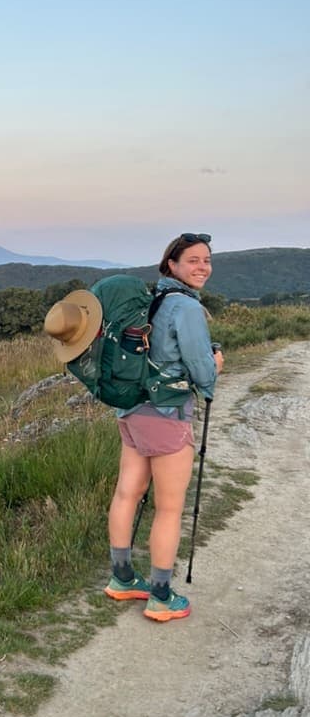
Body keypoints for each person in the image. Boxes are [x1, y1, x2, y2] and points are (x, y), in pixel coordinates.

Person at [104, 232, 224, 621]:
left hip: (131, 409)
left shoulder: (150, 300)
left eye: (206, 259)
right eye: (193, 260)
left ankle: (122, 579)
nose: (202, 266)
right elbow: (200, 367)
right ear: (171, 264)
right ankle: (160, 595)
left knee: (127, 493)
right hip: (166, 412)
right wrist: (214, 372)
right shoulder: (184, 308)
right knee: (169, 508)